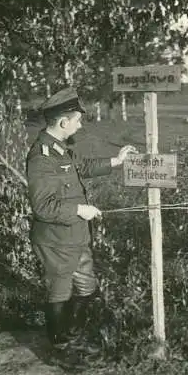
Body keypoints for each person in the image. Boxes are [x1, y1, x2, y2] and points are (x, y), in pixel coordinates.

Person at [25, 86, 137, 353]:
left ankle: (73, 334)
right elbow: (43, 207)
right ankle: (59, 343)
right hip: (56, 239)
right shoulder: (42, 158)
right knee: (60, 290)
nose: (80, 124)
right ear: (64, 122)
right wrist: (79, 210)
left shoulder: (60, 149)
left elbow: (82, 167)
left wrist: (115, 161)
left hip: (75, 236)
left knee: (86, 285)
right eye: (77, 119)